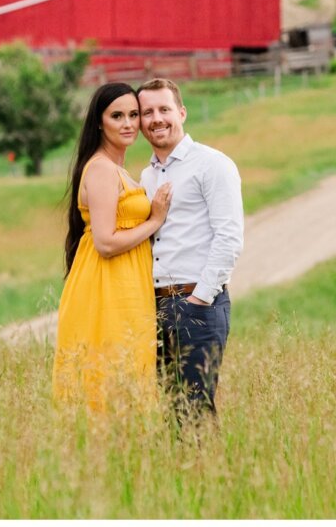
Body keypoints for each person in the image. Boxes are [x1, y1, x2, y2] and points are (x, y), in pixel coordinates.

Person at [52, 83, 173, 413]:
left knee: (130, 370)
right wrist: (154, 220)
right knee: (112, 373)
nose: (128, 123)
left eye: (134, 115)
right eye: (117, 116)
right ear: (98, 123)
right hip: (108, 284)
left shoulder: (117, 169)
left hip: (125, 283)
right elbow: (105, 242)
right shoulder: (103, 169)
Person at [137, 78, 244, 426]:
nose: (157, 118)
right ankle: (177, 477)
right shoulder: (146, 176)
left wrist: (198, 300)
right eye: (147, 112)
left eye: (164, 109)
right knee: (168, 408)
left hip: (197, 303)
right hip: (155, 306)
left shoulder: (212, 164)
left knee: (195, 408)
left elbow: (229, 237)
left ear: (181, 112)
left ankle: (205, 475)